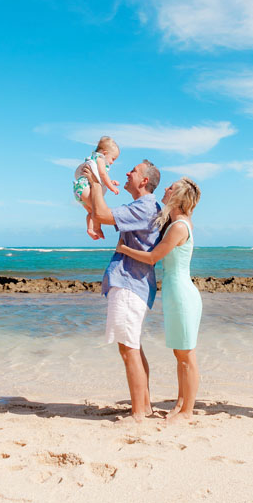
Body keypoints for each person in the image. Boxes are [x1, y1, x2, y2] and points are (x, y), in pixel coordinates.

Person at [116, 178, 202, 425]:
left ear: (178, 196)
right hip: (175, 294)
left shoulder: (179, 227)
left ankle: (188, 411)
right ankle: (180, 404)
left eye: (170, 188)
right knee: (180, 354)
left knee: (187, 355)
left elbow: (153, 257)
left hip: (183, 295)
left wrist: (124, 250)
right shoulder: (174, 223)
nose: (165, 189)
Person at [82, 159, 161, 423]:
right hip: (133, 283)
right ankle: (145, 406)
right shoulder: (143, 206)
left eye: (134, 171)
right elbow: (100, 214)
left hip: (130, 282)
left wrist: (95, 181)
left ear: (144, 181)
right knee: (133, 346)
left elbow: (103, 215)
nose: (127, 172)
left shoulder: (145, 206)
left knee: (129, 349)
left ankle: (138, 413)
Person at [73, 136, 120, 240]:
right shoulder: (100, 159)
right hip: (84, 187)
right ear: (104, 153)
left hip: (80, 190)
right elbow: (103, 175)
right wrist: (111, 187)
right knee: (97, 209)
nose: (112, 162)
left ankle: (90, 229)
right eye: (113, 159)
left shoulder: (94, 160)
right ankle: (97, 228)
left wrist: (111, 182)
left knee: (91, 212)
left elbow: (100, 177)